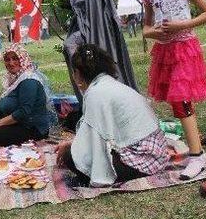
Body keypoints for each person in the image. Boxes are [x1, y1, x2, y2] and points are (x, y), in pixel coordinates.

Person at [141, 0, 206, 180]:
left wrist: (182, 25)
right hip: (164, 52)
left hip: (184, 48)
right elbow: (146, 28)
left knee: (182, 100)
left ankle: (197, 155)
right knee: (177, 102)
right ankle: (197, 153)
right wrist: (156, 33)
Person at [55, 44, 169, 187]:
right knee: (75, 150)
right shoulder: (109, 84)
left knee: (71, 156)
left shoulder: (96, 94)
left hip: (143, 160)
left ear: (77, 73)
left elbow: (95, 140)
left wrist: (72, 149)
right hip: (157, 154)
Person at [0, 43, 57, 146]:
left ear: (22, 59)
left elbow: (24, 112)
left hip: (31, 127)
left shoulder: (29, 80)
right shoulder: (14, 78)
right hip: (17, 121)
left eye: (15, 59)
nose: (11, 63)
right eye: (7, 60)